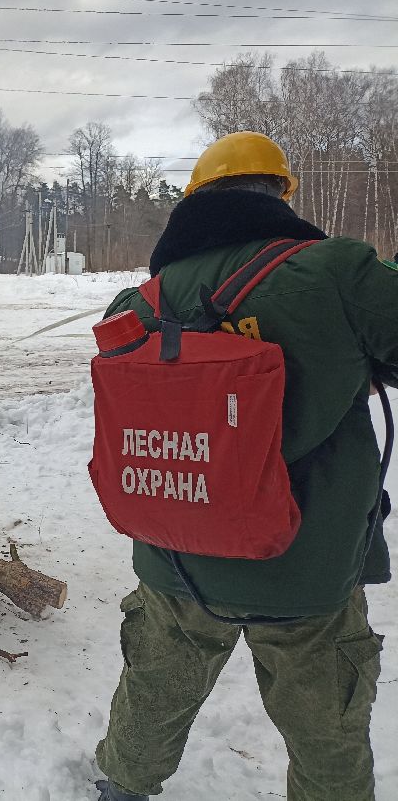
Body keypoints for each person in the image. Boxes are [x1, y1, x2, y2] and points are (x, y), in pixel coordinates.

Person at [92, 132, 394, 801]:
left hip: (175, 553)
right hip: (305, 564)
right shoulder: (337, 272)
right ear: (281, 195)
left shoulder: (140, 303)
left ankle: (120, 784)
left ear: (195, 202)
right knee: (326, 725)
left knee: (156, 686)